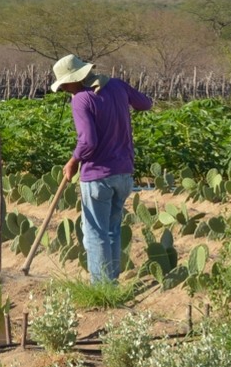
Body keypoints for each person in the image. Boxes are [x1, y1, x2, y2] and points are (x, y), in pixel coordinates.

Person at [50, 54, 153, 284]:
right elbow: (145, 103)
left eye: (65, 84)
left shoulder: (81, 99)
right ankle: (112, 284)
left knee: (96, 234)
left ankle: (101, 287)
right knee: (112, 230)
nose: (65, 89)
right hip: (124, 174)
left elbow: (88, 142)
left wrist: (73, 161)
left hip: (97, 176)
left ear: (75, 79)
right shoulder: (117, 85)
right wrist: (118, 102)